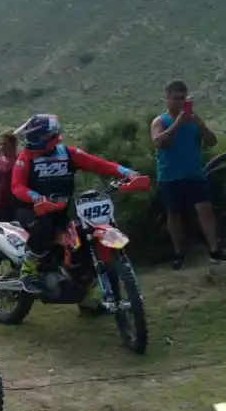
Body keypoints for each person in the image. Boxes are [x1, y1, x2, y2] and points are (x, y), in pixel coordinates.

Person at [11, 114, 138, 293]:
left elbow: (99, 164)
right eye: (30, 136)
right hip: (31, 209)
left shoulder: (68, 154)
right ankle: (28, 269)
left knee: (81, 243)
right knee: (44, 228)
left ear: (50, 136)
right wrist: (37, 197)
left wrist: (128, 173)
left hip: (62, 209)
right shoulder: (26, 157)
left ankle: (83, 294)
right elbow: (16, 185)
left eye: (35, 136)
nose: (30, 141)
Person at [151, 80, 226, 268]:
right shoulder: (160, 121)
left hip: (194, 173)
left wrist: (200, 125)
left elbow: (212, 141)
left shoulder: (194, 120)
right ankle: (179, 253)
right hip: (170, 175)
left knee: (205, 209)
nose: (180, 102)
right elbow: (159, 143)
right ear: (167, 99)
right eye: (176, 98)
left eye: (183, 98)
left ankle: (214, 250)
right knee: (174, 214)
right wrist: (178, 124)